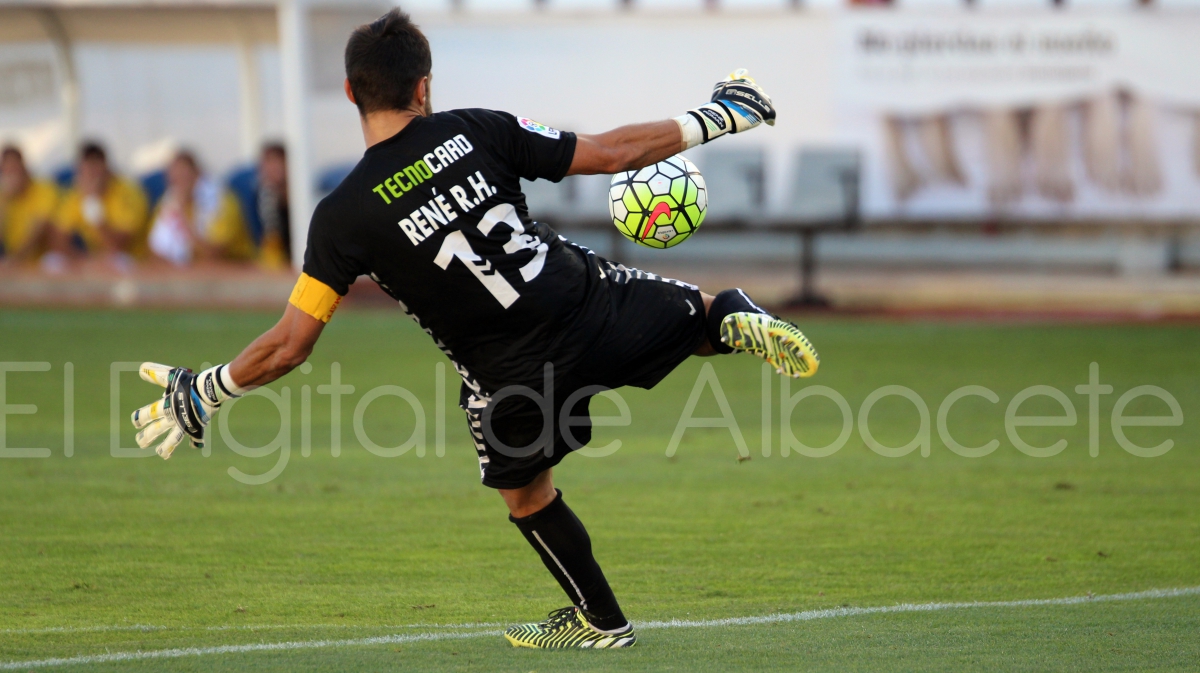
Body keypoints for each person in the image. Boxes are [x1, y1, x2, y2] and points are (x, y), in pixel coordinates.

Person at [129, 9, 818, 650]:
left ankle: (602, 621)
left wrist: (210, 390)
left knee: (527, 496)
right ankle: (736, 318)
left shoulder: (340, 216)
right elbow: (610, 153)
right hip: (583, 302)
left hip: (508, 376)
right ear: (422, 87)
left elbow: (291, 343)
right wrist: (718, 116)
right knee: (700, 311)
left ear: (349, 92)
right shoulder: (476, 129)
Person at [147, 150, 255, 265]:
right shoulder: (168, 202)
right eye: (175, 180)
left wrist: (184, 220)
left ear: (197, 173)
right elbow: (154, 251)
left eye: (184, 177)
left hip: (235, 267)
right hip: (191, 271)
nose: (180, 184)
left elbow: (215, 254)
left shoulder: (222, 202)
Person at [55, 142, 149, 269]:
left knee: (118, 263)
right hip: (94, 257)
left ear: (106, 168)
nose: (91, 175)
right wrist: (83, 260)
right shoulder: (76, 194)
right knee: (53, 261)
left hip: (133, 260)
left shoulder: (128, 193)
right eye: (87, 169)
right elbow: (58, 240)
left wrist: (92, 205)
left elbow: (117, 246)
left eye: (95, 169)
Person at [0, 145, 61, 266]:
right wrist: (6, 202)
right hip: (12, 260)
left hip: (44, 261)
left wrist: (15, 260)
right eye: (8, 170)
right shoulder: (4, 197)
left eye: (15, 168)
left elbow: (40, 229)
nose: (12, 175)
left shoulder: (44, 188)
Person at [255, 143, 292, 269]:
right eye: (267, 164)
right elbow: (271, 235)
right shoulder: (266, 196)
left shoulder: (303, 197)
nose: (272, 169)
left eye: (277, 162)